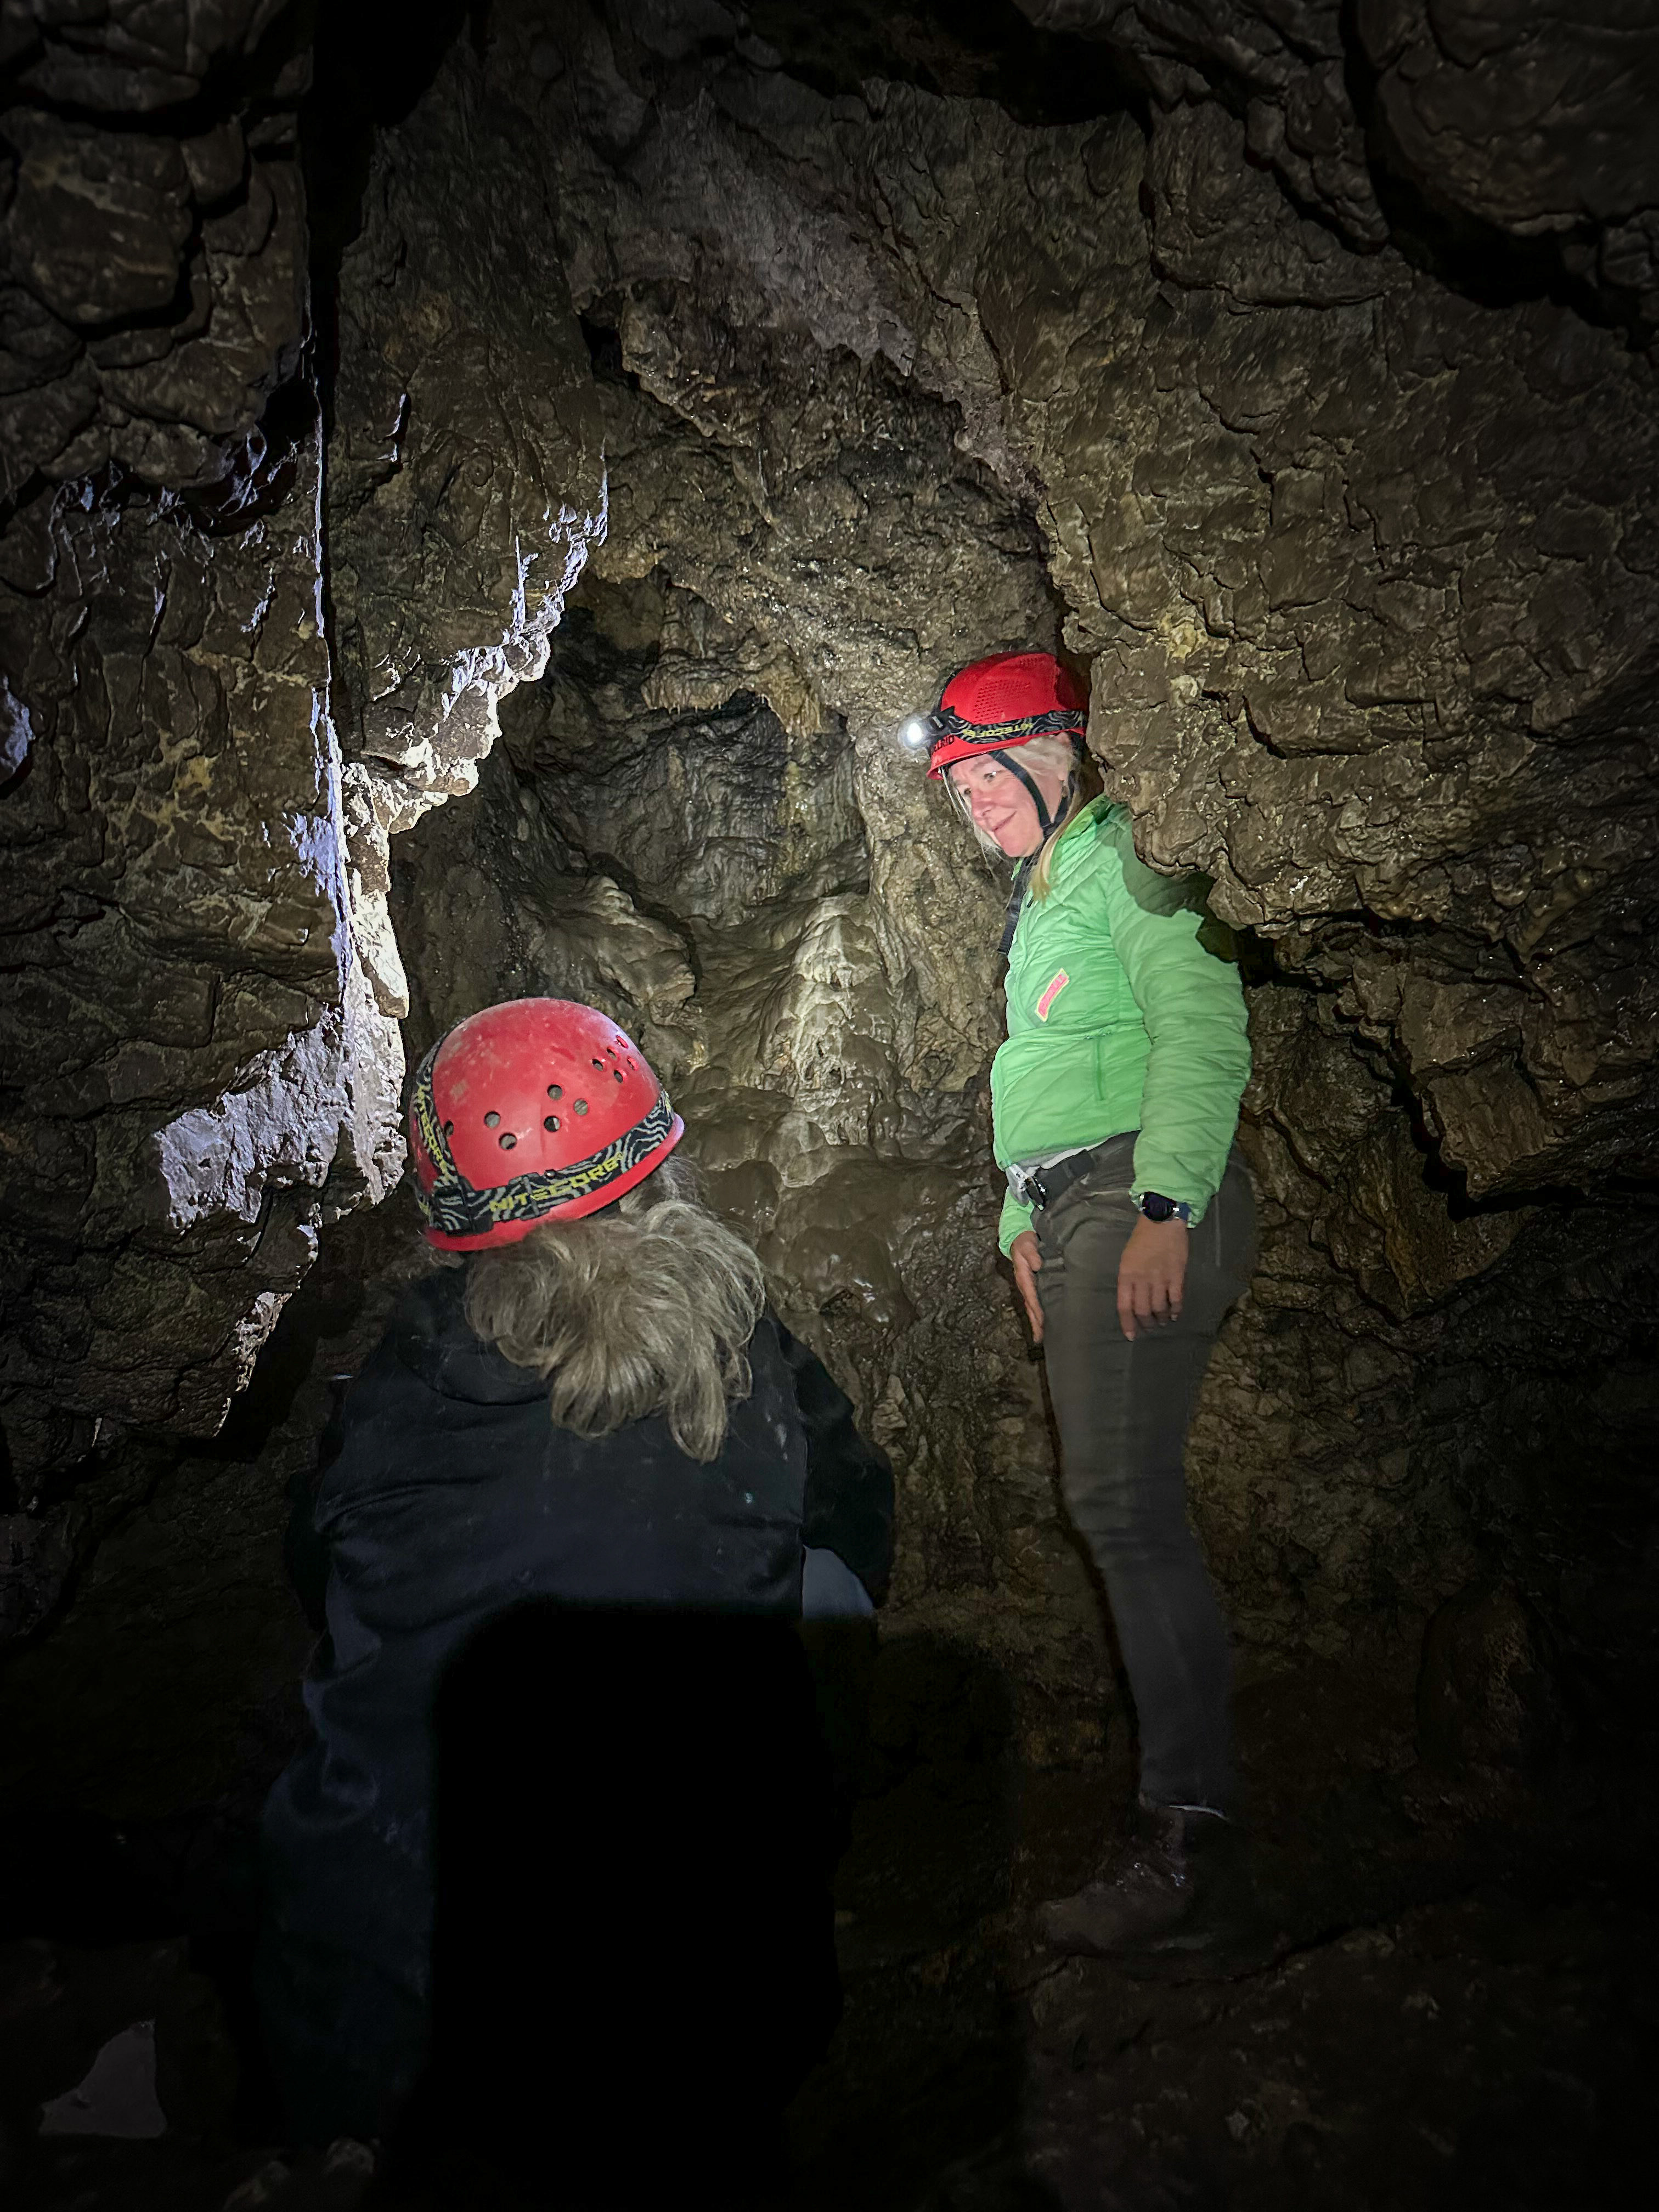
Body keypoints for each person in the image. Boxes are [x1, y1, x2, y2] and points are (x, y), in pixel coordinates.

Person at [256, 997, 893, 2180]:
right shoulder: (743, 1348)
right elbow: (863, 1521)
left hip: (384, 2042)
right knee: (824, 1594)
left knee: (353, 1666)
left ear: (457, 1224)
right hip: (710, 2035)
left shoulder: (399, 1389)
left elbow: (312, 1562)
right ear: (655, 1164)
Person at [904, 651, 1255, 1953]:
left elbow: (1201, 1027)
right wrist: (1019, 1229)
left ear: (1058, 754)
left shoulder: (1128, 863)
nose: (974, 803)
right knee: (1117, 1503)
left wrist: (1165, 1207)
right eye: (958, 788)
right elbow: (1041, 1074)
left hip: (1137, 1191)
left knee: (1124, 1506)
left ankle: (1190, 1845)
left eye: (987, 775)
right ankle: (1188, 1822)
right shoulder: (1043, 897)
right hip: (1075, 1209)